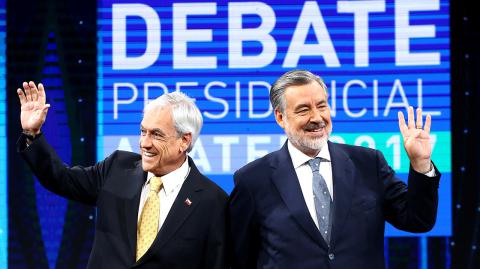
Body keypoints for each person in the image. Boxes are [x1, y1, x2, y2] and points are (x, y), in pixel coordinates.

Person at [228, 70, 440, 269]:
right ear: (280, 117)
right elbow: (240, 258)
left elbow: (418, 220)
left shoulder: (368, 163)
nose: (317, 117)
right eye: (304, 109)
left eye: (322, 106)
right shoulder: (252, 180)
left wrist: (420, 163)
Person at [17, 81, 228, 269]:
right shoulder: (117, 168)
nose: (144, 143)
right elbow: (61, 179)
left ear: (184, 141)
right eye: (143, 131)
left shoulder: (212, 201)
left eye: (156, 134)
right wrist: (32, 134)